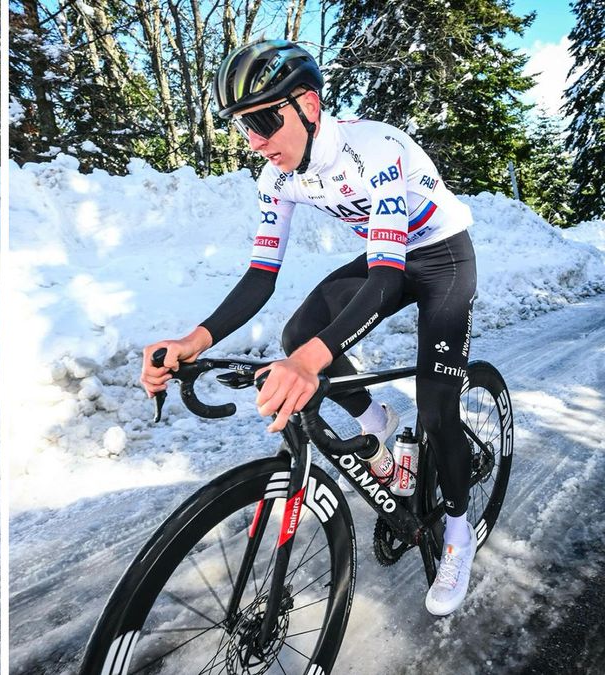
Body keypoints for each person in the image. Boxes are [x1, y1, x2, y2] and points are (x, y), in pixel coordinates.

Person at [140, 39, 478, 617]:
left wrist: (310, 364)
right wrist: (192, 341)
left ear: (310, 105)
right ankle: (377, 424)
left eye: (265, 120)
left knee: (437, 406)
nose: (255, 141)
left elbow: (385, 279)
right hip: (384, 256)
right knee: (299, 335)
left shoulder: (378, 152)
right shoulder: (277, 178)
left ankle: (458, 528)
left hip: (443, 261)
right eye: (242, 127)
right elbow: (260, 277)